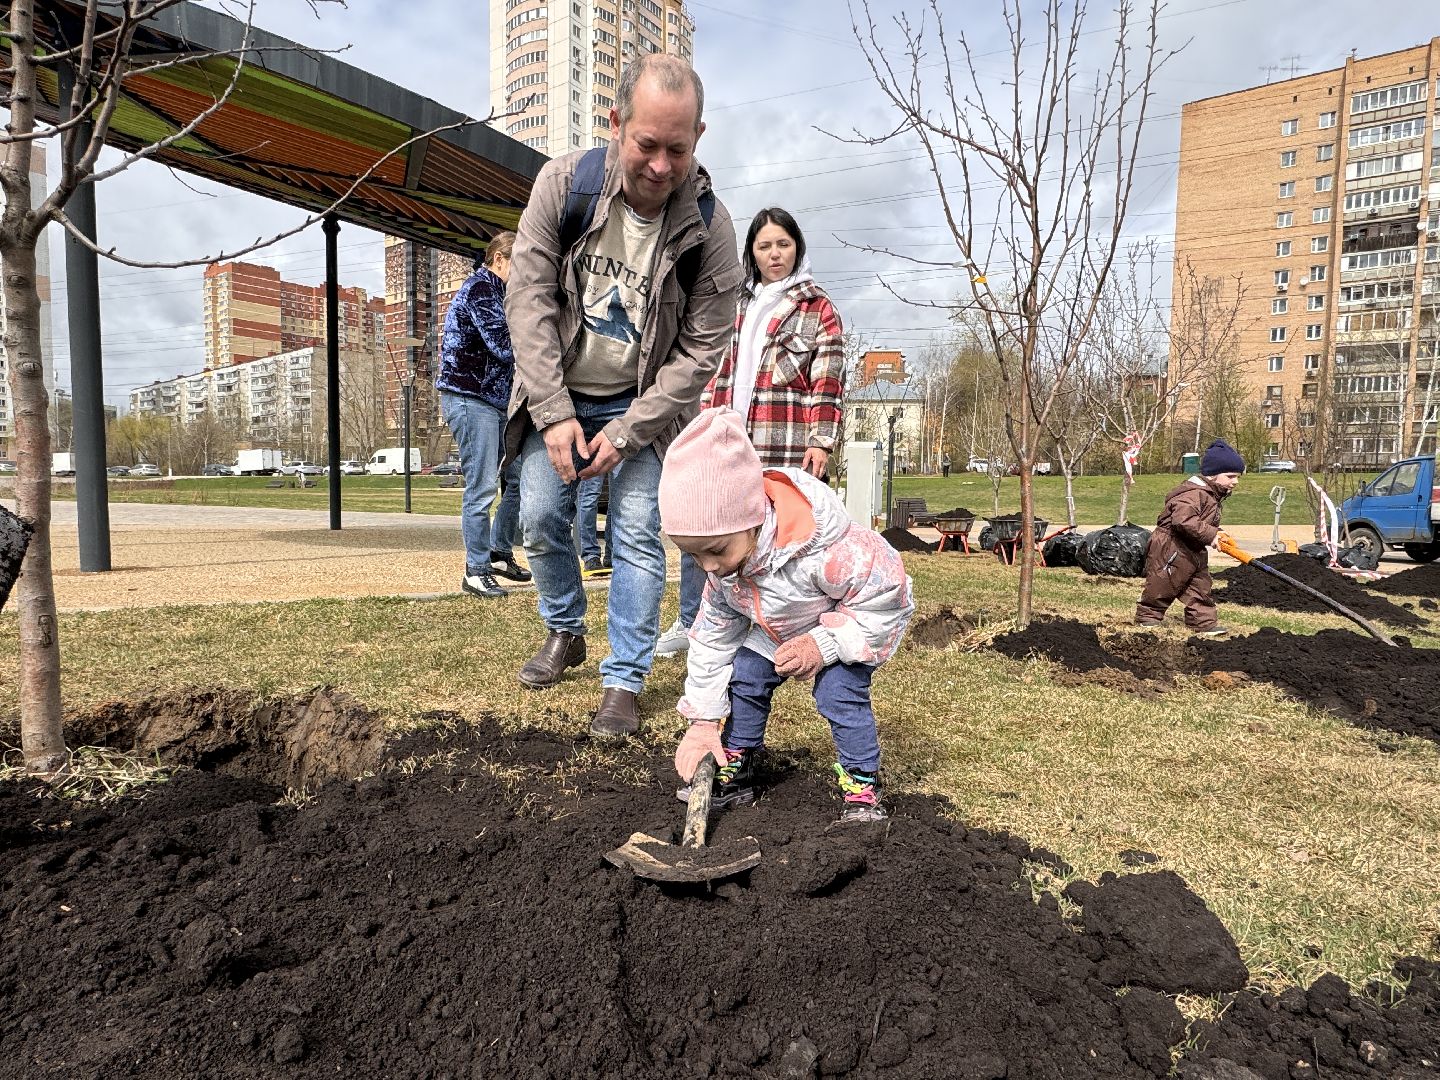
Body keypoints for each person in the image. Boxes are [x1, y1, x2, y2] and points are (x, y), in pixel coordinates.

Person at [504, 54, 742, 738]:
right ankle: (564, 627)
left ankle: (624, 679)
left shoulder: (710, 226)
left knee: (637, 531)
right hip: (562, 393)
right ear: (615, 125)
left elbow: (701, 350)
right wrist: (553, 415)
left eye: (679, 148)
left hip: (645, 408)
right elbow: (528, 299)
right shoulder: (565, 185)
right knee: (539, 521)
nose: (662, 166)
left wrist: (629, 432)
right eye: (647, 145)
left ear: (698, 137)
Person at [660, 409, 913, 823]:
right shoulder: (723, 571)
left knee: (838, 694)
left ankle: (861, 784)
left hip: (839, 628)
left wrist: (824, 644)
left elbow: (888, 599)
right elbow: (711, 639)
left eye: (717, 550)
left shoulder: (828, 551)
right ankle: (737, 761)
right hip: (774, 629)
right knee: (745, 673)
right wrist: (704, 720)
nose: (708, 567)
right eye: (693, 555)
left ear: (754, 519)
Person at [655, 206, 845, 658]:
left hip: (783, 442)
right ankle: (692, 622)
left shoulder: (817, 307)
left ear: (797, 247)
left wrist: (821, 440)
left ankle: (781, 625)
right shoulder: (737, 304)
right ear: (752, 253)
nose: (775, 254)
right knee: (701, 524)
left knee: (776, 539)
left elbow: (828, 378)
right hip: (727, 439)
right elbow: (712, 370)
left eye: (783, 244)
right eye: (765, 246)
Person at [437, 231, 532, 599]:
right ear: (499, 260)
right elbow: (503, 346)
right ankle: (475, 571)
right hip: (468, 396)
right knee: (481, 488)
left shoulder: (502, 294)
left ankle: (497, 551)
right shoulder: (480, 289)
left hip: (494, 402)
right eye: (519, 264)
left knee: (518, 478)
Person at [1135, 438, 1245, 635]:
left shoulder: (1211, 494)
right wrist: (1211, 535)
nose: (1235, 481)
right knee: (1163, 582)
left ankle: (1203, 622)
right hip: (1170, 545)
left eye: (1237, 477)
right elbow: (1182, 521)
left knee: (1200, 585)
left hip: (1193, 546)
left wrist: (1217, 534)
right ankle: (1148, 616)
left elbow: (1199, 523)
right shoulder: (1193, 494)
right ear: (1212, 475)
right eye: (1230, 476)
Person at [575, 474, 612, 577]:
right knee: (590, 494)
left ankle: (612, 555)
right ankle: (590, 556)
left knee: (617, 498)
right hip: (592, 458)